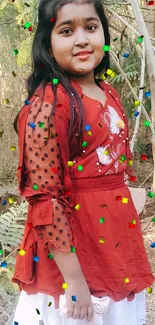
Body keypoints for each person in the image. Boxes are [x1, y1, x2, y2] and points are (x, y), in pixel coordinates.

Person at [12, 0, 154, 324]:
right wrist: (73, 281)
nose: (81, 39)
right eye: (66, 30)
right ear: (47, 40)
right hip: (71, 258)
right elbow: (45, 198)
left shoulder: (111, 93)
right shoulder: (49, 104)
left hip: (117, 247)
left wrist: (125, 194)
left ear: (104, 33)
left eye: (90, 27)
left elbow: (109, 168)